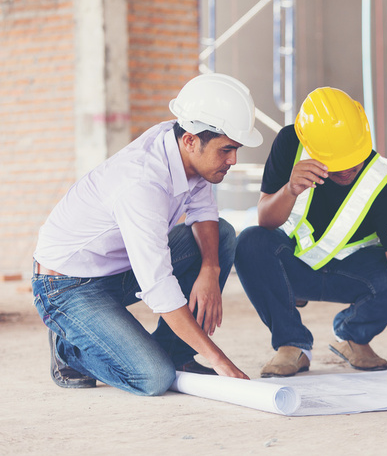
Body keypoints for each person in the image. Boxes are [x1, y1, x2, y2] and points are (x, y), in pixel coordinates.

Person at [32, 73, 262, 395]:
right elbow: (159, 287)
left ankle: (176, 354)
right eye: (226, 150)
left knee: (221, 235)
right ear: (191, 141)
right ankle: (69, 348)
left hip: (117, 267)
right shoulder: (142, 183)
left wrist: (210, 268)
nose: (233, 160)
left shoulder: (183, 146)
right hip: (67, 286)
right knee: (153, 377)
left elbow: (204, 212)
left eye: (235, 149)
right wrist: (219, 360)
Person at [234, 87, 387, 378]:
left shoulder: (380, 180)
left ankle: (353, 336)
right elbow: (265, 220)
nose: (346, 170)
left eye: (353, 159)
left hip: (352, 274)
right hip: (293, 266)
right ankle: (292, 345)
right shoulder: (289, 144)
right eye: (336, 162)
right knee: (249, 243)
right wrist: (290, 189)